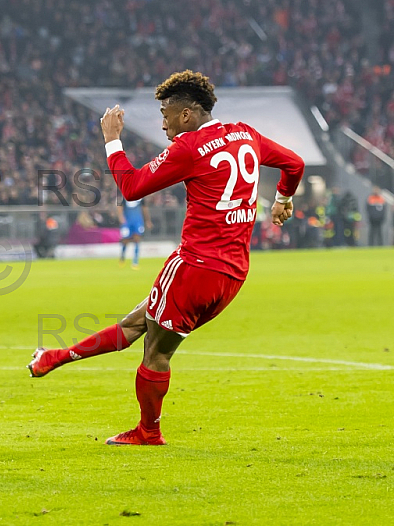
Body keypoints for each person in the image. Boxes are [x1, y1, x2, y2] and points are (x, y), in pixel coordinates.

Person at [28, 70, 304, 446]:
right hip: (233, 273)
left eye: (166, 115)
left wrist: (112, 141)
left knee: (154, 351)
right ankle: (56, 358)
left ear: (187, 114)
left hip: (194, 266)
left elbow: (132, 186)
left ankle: (148, 432)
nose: (163, 125)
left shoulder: (189, 147)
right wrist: (283, 200)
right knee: (138, 322)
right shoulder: (246, 134)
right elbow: (294, 163)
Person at [118, 197, 151, 268]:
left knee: (137, 239)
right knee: (125, 240)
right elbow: (120, 206)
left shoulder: (141, 197)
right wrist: (121, 217)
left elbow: (144, 208)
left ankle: (135, 260)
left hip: (138, 221)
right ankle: (122, 256)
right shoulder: (125, 196)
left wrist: (147, 220)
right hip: (127, 221)